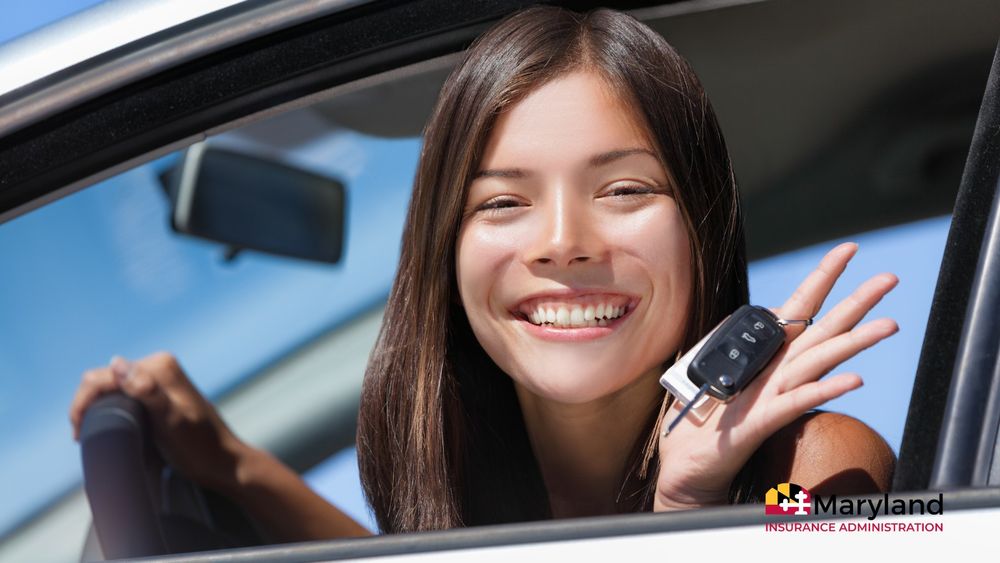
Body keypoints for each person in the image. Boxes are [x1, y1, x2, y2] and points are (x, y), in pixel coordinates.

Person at [69, 6, 897, 541]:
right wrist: (235, 464)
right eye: (503, 204)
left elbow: (883, 532)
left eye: (624, 190)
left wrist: (687, 511)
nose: (563, 242)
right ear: (444, 254)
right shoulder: (467, 462)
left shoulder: (818, 475)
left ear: (703, 228)